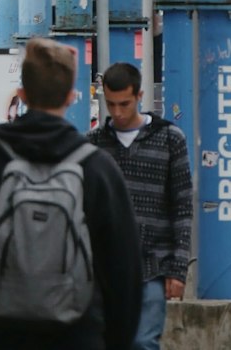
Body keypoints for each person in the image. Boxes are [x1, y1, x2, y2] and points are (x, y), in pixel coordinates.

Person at [0, 37, 142, 350]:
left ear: (21, 95)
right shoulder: (96, 167)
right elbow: (125, 272)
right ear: (70, 97)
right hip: (78, 334)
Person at [88, 61, 192, 350]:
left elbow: (182, 206)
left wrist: (177, 269)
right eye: (111, 104)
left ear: (139, 96)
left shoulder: (170, 139)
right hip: (103, 268)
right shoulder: (93, 143)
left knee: (142, 343)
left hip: (153, 266)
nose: (118, 113)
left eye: (124, 104)